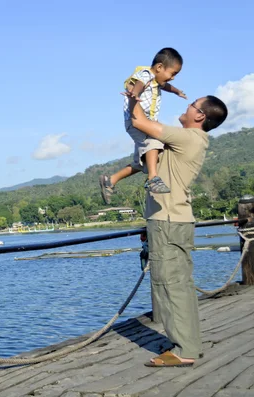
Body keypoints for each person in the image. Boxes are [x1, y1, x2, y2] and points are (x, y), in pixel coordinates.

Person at [126, 94, 228, 367]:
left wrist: (136, 94)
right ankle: (189, 344)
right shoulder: (192, 140)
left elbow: (139, 121)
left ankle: (184, 351)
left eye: (192, 105)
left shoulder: (188, 137)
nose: (186, 107)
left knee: (169, 286)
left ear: (200, 116)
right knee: (180, 286)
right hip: (176, 220)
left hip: (168, 221)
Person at [99, 48, 187, 205]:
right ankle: (153, 178)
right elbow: (139, 84)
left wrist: (176, 91)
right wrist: (136, 94)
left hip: (146, 121)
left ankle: (110, 180)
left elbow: (165, 86)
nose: (172, 78)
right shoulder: (146, 74)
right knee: (155, 141)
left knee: (143, 161)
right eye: (172, 74)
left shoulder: (158, 81)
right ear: (159, 67)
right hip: (136, 120)